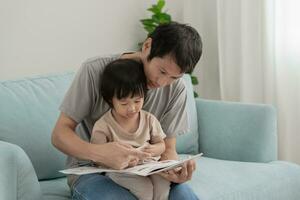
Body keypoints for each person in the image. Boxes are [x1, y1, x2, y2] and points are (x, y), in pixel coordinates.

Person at [52, 22, 202, 200]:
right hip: (93, 172)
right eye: (161, 71)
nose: (163, 83)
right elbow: (59, 134)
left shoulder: (177, 89)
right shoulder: (94, 70)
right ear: (147, 46)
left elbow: (168, 148)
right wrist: (100, 153)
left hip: (147, 170)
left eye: (174, 77)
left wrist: (173, 168)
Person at [91, 58, 170, 200]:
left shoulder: (149, 119)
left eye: (137, 101)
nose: (132, 108)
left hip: (148, 166)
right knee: (145, 189)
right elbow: (97, 158)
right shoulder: (103, 125)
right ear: (110, 100)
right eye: (124, 103)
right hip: (121, 170)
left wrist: (155, 149)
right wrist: (122, 159)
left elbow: (162, 144)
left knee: (163, 183)